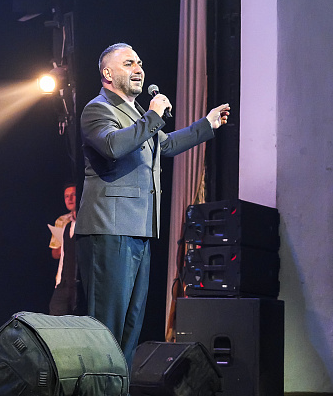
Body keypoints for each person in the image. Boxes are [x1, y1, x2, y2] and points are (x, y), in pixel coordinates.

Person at [74, 43, 230, 369]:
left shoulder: (137, 116)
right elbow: (113, 146)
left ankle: (120, 385)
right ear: (107, 73)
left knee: (131, 327)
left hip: (140, 228)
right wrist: (153, 115)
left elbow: (166, 144)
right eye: (129, 63)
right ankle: (99, 387)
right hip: (110, 228)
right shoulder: (98, 109)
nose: (138, 69)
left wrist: (207, 124)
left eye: (140, 63)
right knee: (107, 327)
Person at [47, 184, 83, 315]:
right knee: (55, 315)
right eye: (66, 196)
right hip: (64, 281)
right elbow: (57, 254)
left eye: (73, 195)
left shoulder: (85, 221)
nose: (70, 199)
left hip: (80, 280)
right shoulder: (64, 223)